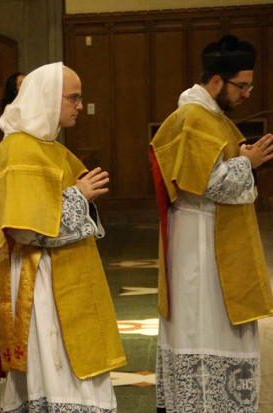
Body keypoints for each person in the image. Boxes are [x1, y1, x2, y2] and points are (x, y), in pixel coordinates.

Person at [0, 62, 125, 412]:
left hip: (65, 273)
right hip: (38, 282)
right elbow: (26, 229)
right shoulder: (19, 150)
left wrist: (80, 198)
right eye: (74, 97)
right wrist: (79, 196)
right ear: (47, 98)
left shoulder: (51, 148)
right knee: (56, 375)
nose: (80, 105)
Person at [150, 34, 273, 412]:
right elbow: (208, 184)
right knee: (203, 324)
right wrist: (248, 163)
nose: (248, 93)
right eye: (242, 85)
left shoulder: (213, 118)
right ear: (216, 81)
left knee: (223, 326)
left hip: (218, 237)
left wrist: (245, 162)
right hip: (199, 243)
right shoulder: (192, 118)